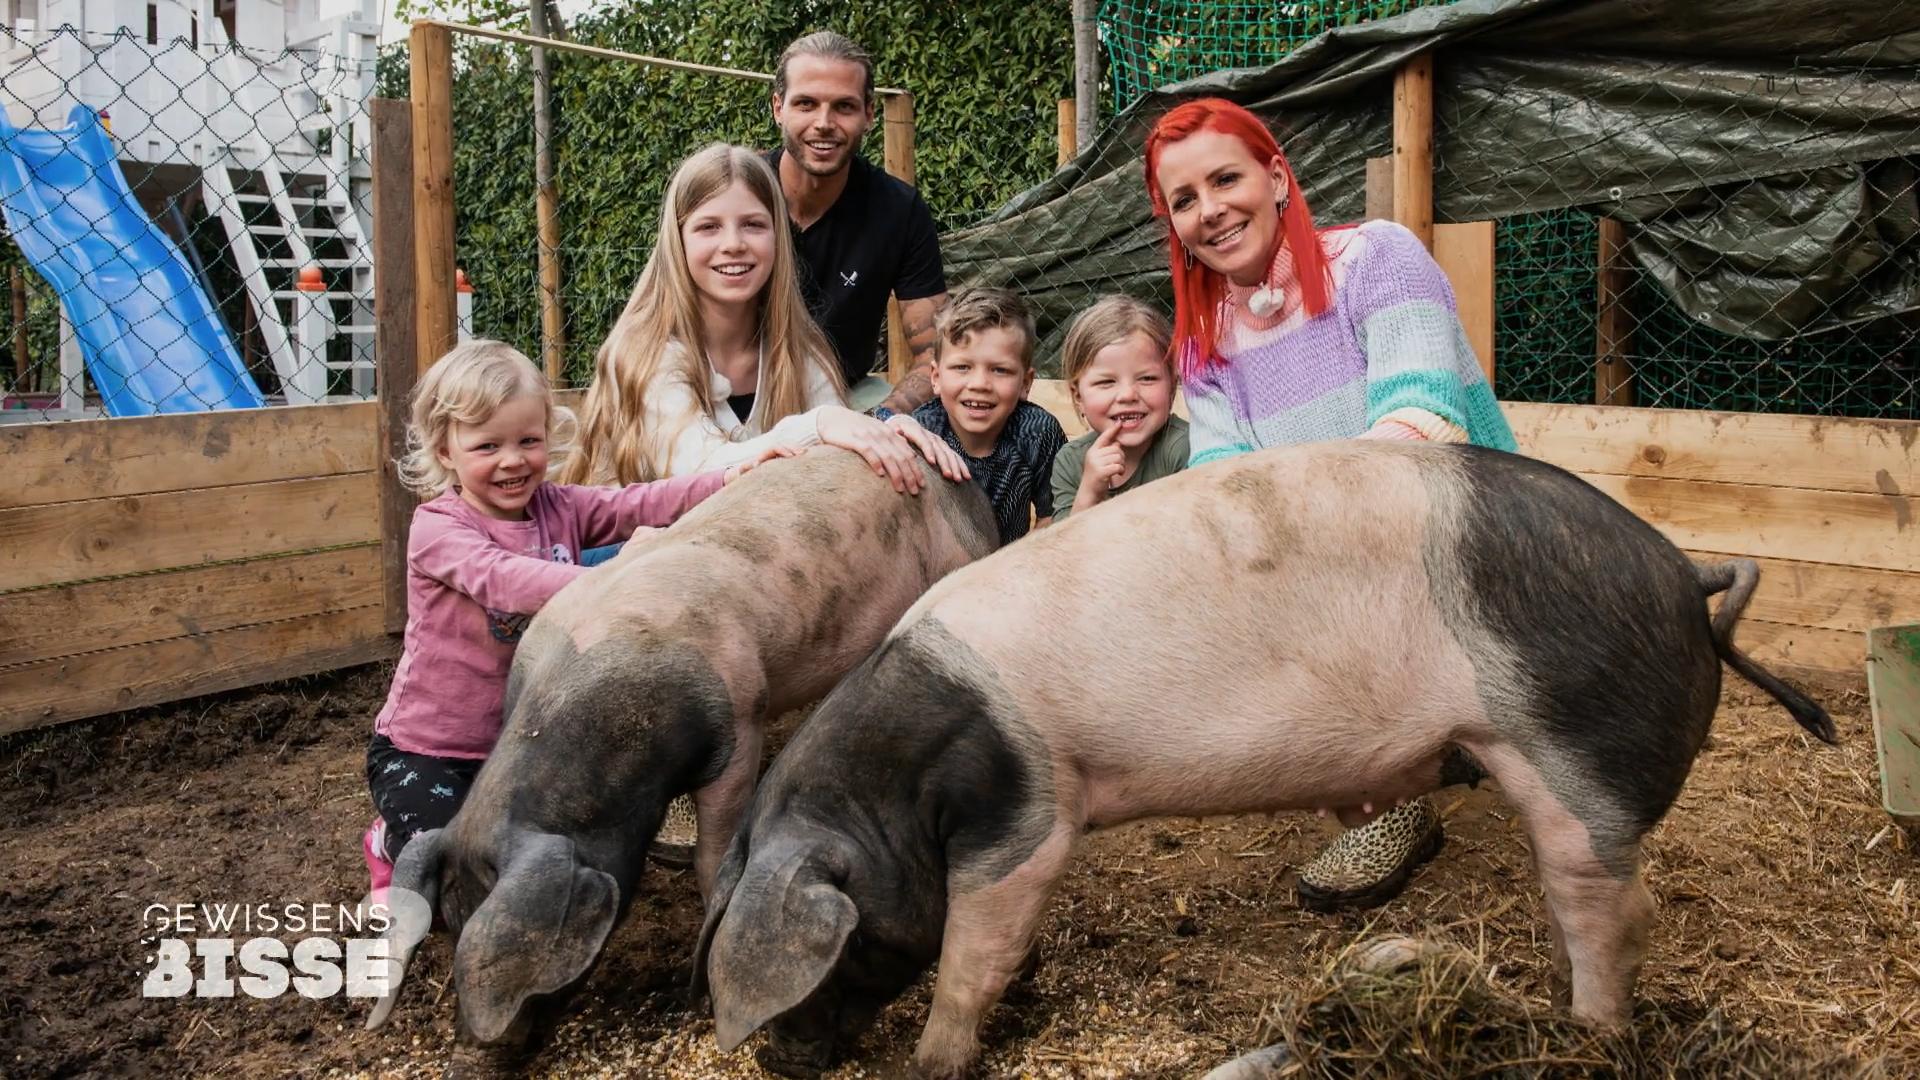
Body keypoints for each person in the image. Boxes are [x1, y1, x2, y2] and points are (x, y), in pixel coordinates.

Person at [1143, 97, 1518, 913]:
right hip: (1333, 560)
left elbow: (1422, 415)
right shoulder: (1205, 339)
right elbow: (1222, 481)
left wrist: (1313, 570)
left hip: (1455, 530)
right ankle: (1395, 799)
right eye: (1183, 200)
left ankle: (1450, 739)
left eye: (1225, 179)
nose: (1210, 211)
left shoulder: (1377, 257)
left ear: (1276, 178)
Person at [362, 340, 775, 894]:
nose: (513, 460)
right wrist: (616, 581)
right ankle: (387, 841)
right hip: (431, 749)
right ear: (444, 451)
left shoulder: (559, 506)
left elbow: (637, 504)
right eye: (487, 446)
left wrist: (728, 480)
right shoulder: (439, 529)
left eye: (528, 441)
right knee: (447, 863)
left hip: (527, 740)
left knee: (524, 860)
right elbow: (505, 578)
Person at [557, 143, 965, 494]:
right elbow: (703, 472)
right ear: (677, 241)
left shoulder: (798, 348)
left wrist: (884, 429)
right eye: (708, 228)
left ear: (778, 237)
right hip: (636, 559)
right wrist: (820, 424)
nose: (733, 244)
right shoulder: (645, 352)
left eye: (753, 225)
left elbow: (833, 459)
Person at [768, 31, 947, 414]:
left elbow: (935, 354)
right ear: (778, 107)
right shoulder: (736, 195)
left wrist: (879, 420)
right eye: (806, 104)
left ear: (868, 113)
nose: (824, 123)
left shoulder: (899, 210)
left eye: (844, 107)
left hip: (846, 396)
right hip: (735, 397)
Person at [882, 286, 1065, 545]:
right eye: (962, 367)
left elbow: (1055, 516)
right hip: (939, 574)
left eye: (999, 370)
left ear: (1026, 382)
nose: (979, 383)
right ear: (936, 378)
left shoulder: (1037, 432)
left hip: (1011, 569)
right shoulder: (923, 434)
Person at [1048, 295, 1189, 521]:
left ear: (1172, 385)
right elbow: (1066, 550)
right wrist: (1090, 492)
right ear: (1078, 396)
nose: (1127, 395)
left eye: (1147, 378)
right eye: (1106, 382)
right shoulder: (1071, 461)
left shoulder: (1183, 448)